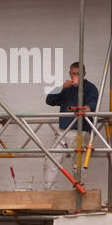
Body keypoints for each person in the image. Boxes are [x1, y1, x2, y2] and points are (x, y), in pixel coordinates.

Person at [42, 61, 99, 189]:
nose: (75, 77)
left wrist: (87, 108)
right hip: (63, 130)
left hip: (80, 131)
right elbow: (49, 100)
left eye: (78, 74)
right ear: (69, 73)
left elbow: (93, 103)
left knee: (77, 164)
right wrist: (61, 87)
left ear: (84, 74)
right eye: (73, 74)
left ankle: (78, 191)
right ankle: (49, 191)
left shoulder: (90, 88)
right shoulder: (66, 88)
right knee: (52, 159)